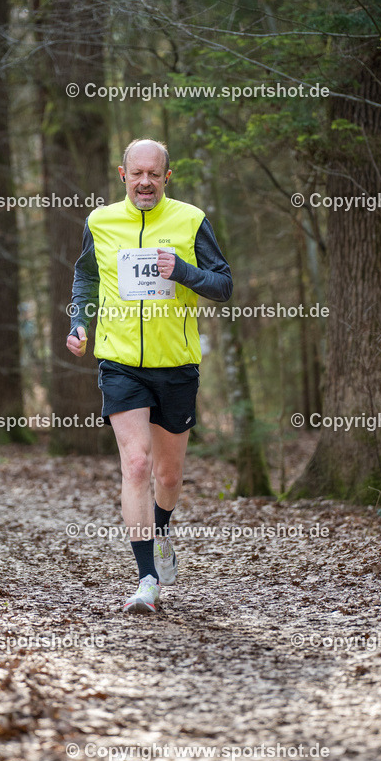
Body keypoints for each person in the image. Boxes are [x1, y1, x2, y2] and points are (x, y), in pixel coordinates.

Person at [66, 138, 232, 614]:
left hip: (176, 364)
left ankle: (161, 527)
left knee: (169, 474)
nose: (144, 182)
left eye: (153, 175)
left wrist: (182, 271)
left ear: (166, 177)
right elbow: (86, 277)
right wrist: (79, 320)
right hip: (119, 362)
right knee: (136, 466)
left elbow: (223, 284)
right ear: (122, 174)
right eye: (136, 174)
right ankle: (146, 579)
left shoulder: (190, 219)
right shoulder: (100, 221)